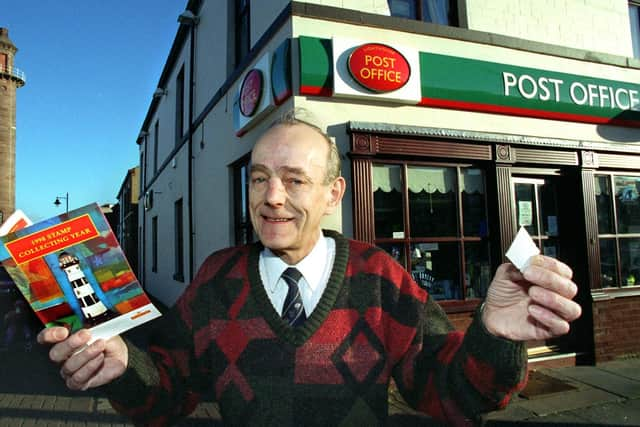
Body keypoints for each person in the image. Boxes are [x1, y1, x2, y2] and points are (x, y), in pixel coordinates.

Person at [38, 111, 581, 426]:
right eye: (258, 178)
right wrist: (123, 367)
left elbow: (451, 394)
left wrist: (492, 337)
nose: (271, 197)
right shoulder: (216, 279)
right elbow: (169, 391)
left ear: (332, 194)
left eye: (295, 179)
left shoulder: (381, 280)